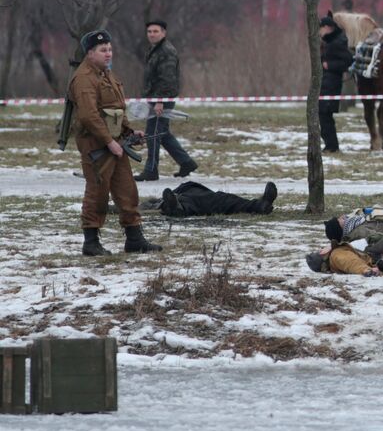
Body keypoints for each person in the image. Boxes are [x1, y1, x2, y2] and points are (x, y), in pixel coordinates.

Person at [68, 29, 161, 256]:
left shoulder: (106, 74)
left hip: (115, 142)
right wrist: (109, 142)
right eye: (103, 50)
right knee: (97, 192)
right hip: (95, 145)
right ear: (90, 53)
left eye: (110, 49)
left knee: (127, 190)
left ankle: (134, 238)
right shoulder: (83, 78)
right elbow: (89, 116)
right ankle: (91, 242)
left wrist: (130, 132)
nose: (108, 54)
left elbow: (117, 108)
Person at [135, 19, 198, 182]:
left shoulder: (166, 51)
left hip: (161, 99)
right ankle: (187, 162)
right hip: (155, 98)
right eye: (149, 31)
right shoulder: (155, 49)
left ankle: (151, 170)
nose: (152, 34)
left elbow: (167, 80)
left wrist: (160, 101)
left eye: (155, 31)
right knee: (163, 134)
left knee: (152, 133)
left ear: (163, 33)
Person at [318, 13, 353, 154]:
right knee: (323, 114)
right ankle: (330, 145)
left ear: (327, 27)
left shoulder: (337, 43)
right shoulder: (330, 42)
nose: (319, 31)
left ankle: (332, 146)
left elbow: (348, 61)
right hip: (326, 82)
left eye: (320, 28)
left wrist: (329, 65)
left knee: (325, 114)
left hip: (332, 83)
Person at [151, 181, 279, 217]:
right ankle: (176, 208)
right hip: (181, 200)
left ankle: (261, 205)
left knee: (223, 199)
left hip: (189, 191)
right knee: (187, 205)